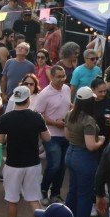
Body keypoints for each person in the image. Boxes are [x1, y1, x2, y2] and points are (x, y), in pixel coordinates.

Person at [0, 85, 51, 217]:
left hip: (13, 164)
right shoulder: (37, 117)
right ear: (28, 100)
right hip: (33, 164)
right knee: (34, 198)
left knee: (12, 199)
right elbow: (47, 138)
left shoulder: (6, 118)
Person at [63, 86, 104, 217]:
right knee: (85, 195)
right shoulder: (88, 121)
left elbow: (67, 135)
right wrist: (100, 140)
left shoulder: (69, 115)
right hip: (84, 158)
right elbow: (90, 146)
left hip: (71, 154)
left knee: (72, 191)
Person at [32, 66, 72, 205]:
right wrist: (55, 123)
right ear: (52, 77)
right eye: (59, 76)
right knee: (54, 164)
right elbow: (38, 115)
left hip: (65, 134)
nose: (62, 79)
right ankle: (43, 190)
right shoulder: (45, 94)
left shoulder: (67, 89)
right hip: (51, 135)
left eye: (63, 76)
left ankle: (55, 193)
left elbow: (67, 105)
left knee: (62, 166)